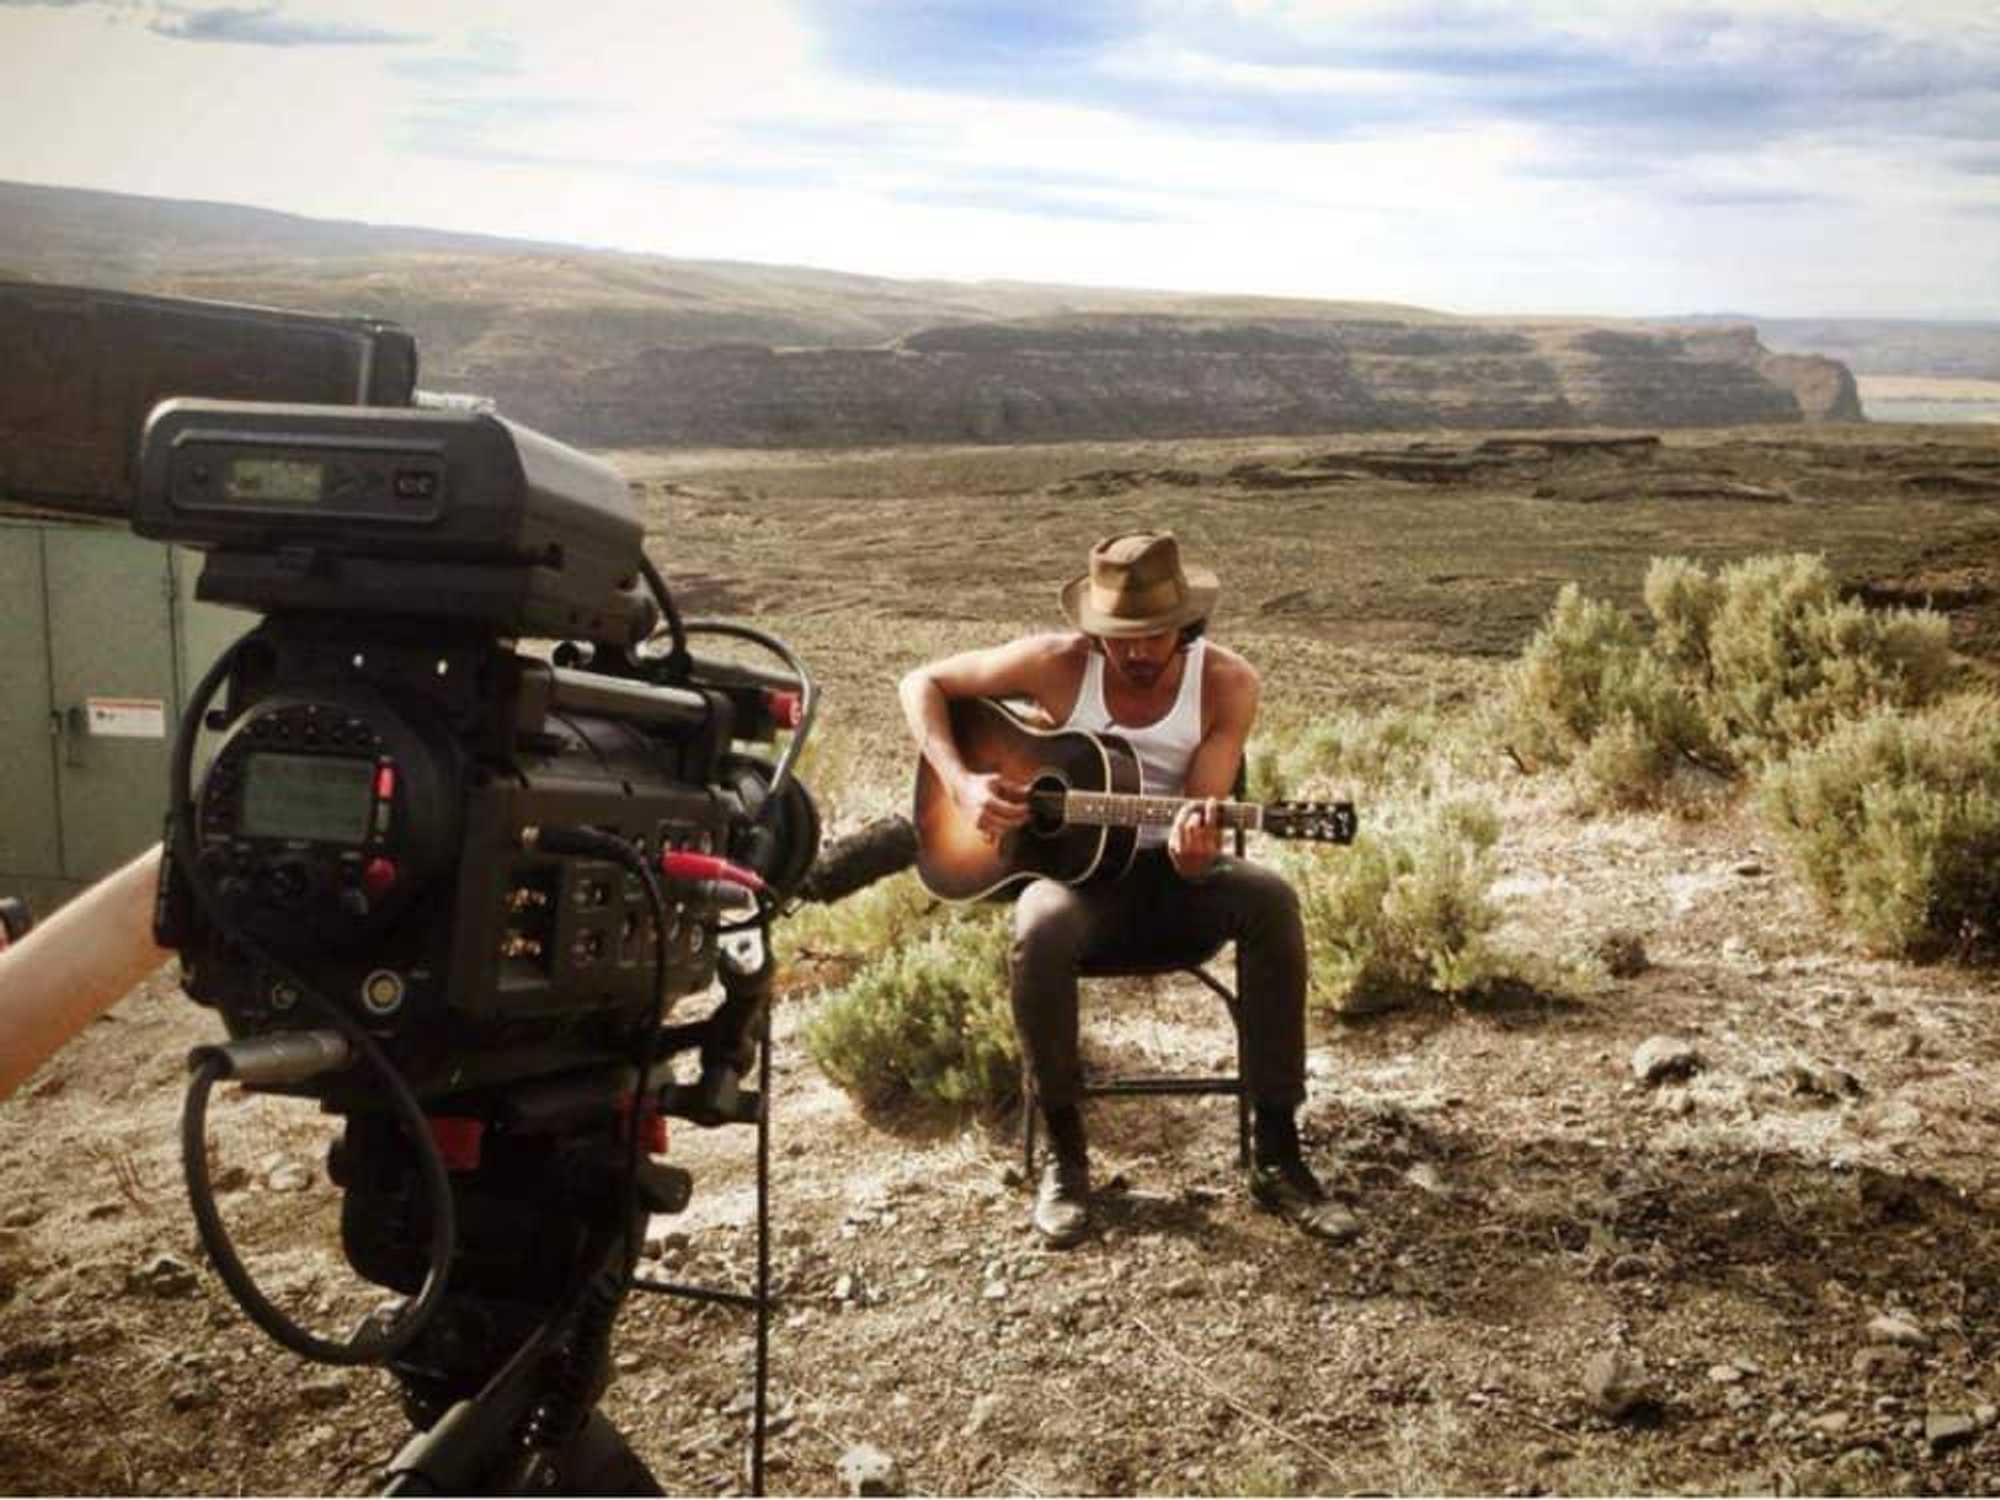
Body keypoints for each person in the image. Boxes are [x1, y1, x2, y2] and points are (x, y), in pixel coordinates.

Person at [898, 531, 1357, 1248]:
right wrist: (961, 782)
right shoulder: (1056, 664)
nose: (1138, 651)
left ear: (1186, 624)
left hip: (1174, 884)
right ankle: (1066, 1157)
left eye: (1155, 634)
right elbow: (919, 684)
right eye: (1121, 637)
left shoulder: (1226, 683)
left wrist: (1194, 853)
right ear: (1094, 630)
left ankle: (1277, 1154)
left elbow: (1202, 820)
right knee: (1039, 924)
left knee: (1271, 900)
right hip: (1079, 887)